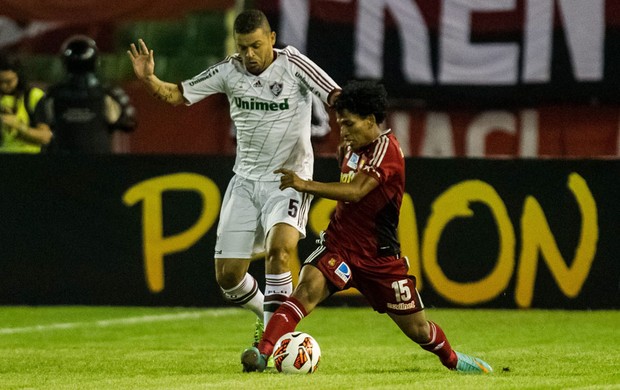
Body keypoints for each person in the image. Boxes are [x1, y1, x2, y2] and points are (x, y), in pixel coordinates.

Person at [241, 80, 493, 374]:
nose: (343, 131)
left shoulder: (388, 150)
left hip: (379, 259)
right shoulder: (350, 147)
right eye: (339, 124)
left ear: (371, 120)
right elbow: (349, 175)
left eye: (348, 124)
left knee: (420, 330)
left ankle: (454, 360)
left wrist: (304, 184)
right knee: (306, 290)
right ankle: (262, 354)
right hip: (341, 245)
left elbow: (357, 191)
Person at [128, 9, 341, 344]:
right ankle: (267, 317)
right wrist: (150, 80)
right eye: (243, 47)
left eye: (255, 46)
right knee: (228, 278)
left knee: (280, 251)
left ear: (271, 38)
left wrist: (359, 135)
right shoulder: (230, 70)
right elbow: (178, 95)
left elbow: (336, 96)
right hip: (244, 181)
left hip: (289, 179)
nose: (249, 55)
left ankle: (274, 342)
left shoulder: (294, 65)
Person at [41, 35, 136, 153]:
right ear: (95, 61)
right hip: (98, 163)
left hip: (62, 163)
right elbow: (128, 122)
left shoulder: (53, 95)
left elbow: (42, 122)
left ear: (65, 63)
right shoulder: (109, 93)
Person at [0, 51, 52, 153]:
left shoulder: (33, 96)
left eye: (9, 81)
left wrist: (19, 126)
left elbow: (45, 137)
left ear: (19, 76)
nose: (3, 86)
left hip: (27, 161)